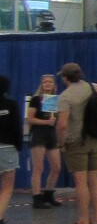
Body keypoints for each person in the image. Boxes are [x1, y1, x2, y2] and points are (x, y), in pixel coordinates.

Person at [54, 61, 97, 224]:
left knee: (81, 182)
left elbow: (61, 125)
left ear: (65, 78)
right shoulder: (96, 87)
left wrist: (61, 144)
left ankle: (83, 221)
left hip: (76, 141)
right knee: (94, 180)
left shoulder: (65, 97)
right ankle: (96, 219)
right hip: (96, 139)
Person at [27, 74, 60, 208]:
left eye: (49, 82)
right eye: (45, 82)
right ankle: (36, 197)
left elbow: (56, 121)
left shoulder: (55, 100)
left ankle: (49, 193)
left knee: (56, 167)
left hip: (51, 135)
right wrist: (46, 122)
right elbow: (30, 119)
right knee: (38, 168)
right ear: (41, 85)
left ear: (54, 84)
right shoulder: (36, 99)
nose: (47, 84)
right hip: (39, 134)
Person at [0, 74, 21, 224]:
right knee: (7, 187)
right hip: (7, 148)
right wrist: (19, 146)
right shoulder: (11, 104)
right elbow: (17, 127)